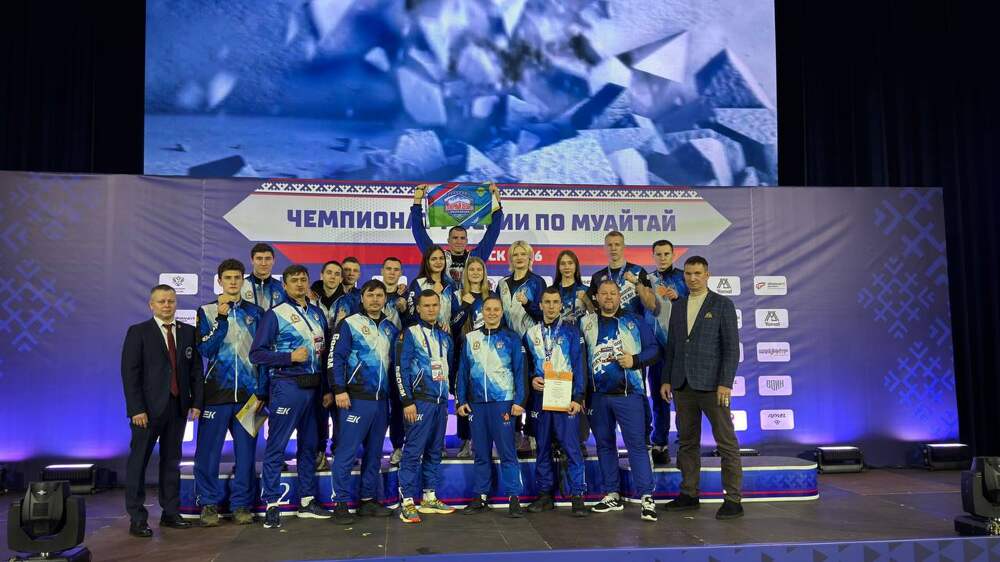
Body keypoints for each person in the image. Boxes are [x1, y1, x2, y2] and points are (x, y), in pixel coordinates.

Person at [660, 255, 743, 520]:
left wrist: (725, 383)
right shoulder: (679, 306)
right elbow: (672, 347)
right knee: (686, 443)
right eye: (688, 274)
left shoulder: (723, 304)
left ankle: (733, 499)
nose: (692, 278)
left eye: (697, 273)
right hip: (682, 385)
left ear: (707, 275)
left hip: (713, 387)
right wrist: (666, 379)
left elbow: (731, 348)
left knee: (726, 443)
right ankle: (689, 494)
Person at [250, 265, 332, 529]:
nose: (299, 284)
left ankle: (307, 501)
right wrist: (289, 357)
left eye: (303, 279)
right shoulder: (275, 314)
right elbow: (256, 354)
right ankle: (272, 504)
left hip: (314, 388)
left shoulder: (317, 314)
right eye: (293, 280)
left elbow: (324, 355)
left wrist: (327, 389)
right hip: (287, 386)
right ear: (284, 286)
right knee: (277, 445)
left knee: (309, 446)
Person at [120, 284, 203, 537]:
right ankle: (137, 518)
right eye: (161, 301)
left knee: (172, 462)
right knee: (139, 463)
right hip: (146, 412)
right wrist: (136, 409)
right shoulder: (138, 332)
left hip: (177, 408)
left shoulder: (188, 332)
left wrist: (196, 403)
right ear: (151, 305)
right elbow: (130, 374)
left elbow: (196, 371)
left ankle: (170, 512)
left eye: (171, 301)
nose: (167, 305)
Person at [193, 259, 265, 527]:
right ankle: (208, 504)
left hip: (250, 396)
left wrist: (263, 391)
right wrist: (221, 319)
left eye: (237, 277)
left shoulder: (256, 312)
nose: (233, 282)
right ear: (219, 281)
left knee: (246, 454)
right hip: (216, 394)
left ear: (243, 280)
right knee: (208, 453)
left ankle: (241, 505)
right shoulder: (207, 311)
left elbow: (263, 354)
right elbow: (206, 350)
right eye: (228, 278)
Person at [581, 280, 659, 522]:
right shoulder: (586, 322)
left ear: (619, 296)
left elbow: (654, 349)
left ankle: (647, 497)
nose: (608, 297)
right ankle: (612, 494)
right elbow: (579, 358)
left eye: (613, 293)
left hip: (629, 395)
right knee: (604, 445)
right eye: (603, 293)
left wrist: (635, 360)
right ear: (596, 297)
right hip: (597, 397)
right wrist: (580, 394)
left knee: (637, 445)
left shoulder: (635, 320)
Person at [328, 280, 401, 523]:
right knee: (346, 452)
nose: (375, 299)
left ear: (385, 299)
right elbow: (335, 358)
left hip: (381, 401)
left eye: (380, 295)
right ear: (362, 298)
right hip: (355, 398)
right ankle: (340, 503)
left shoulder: (390, 328)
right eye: (370, 295)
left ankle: (368, 500)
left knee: (375, 452)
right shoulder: (349, 324)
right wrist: (339, 389)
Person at [456, 296, 528, 518]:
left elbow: (520, 372)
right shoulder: (471, 338)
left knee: (507, 452)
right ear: (482, 312)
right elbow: (463, 372)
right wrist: (461, 400)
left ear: (501, 312)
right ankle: (480, 495)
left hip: (503, 402)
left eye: (496, 309)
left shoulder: (512, 338)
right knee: (480, 452)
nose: (492, 313)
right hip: (477, 404)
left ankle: (514, 497)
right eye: (488, 309)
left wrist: (519, 401)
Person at [522, 287, 588, 517]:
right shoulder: (530, 333)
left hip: (565, 398)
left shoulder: (572, 332)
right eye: (547, 302)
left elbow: (580, 366)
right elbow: (525, 367)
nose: (551, 306)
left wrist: (578, 397)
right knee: (542, 448)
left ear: (561, 305)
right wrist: (531, 379)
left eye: (555, 302)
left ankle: (577, 496)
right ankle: (545, 495)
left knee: (571, 448)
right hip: (541, 399)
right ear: (540, 305)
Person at [396, 290, 458, 523]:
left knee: (434, 450)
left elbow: (448, 368)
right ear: (419, 308)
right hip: (419, 401)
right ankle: (407, 501)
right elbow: (400, 369)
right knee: (413, 451)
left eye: (435, 305)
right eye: (427, 305)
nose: (431, 309)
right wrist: (407, 401)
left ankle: (429, 497)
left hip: (440, 401)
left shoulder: (445, 338)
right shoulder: (409, 333)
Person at [499, 240, 546, 455]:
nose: (519, 258)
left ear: (530, 258)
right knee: (512, 387)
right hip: (508, 344)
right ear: (510, 259)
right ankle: (515, 431)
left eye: (523, 254)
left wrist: (528, 304)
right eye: (515, 254)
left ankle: (533, 433)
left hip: (531, 343)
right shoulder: (502, 284)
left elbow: (544, 315)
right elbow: (497, 315)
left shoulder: (537, 282)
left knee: (532, 385)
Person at [645, 240, 688, 465]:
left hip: (681, 348)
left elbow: (696, 307)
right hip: (656, 350)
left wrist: (678, 298)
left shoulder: (684, 278)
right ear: (653, 256)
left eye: (666, 254)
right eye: (658, 254)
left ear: (673, 255)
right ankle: (659, 444)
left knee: (682, 399)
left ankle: (685, 446)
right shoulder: (647, 280)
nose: (662, 258)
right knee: (658, 398)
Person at [410, 181, 504, 285]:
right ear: (448, 240)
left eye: (462, 238)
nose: (459, 241)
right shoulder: (439, 258)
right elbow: (419, 232)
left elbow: (493, 232)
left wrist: (496, 199)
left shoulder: (476, 257)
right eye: (455, 238)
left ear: (467, 241)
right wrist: (417, 201)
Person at [448, 256, 495, 458]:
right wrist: (465, 306)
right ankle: (466, 440)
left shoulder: (491, 296)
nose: (475, 273)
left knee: (486, 394)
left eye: (479, 269)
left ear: (484, 273)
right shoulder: (458, 295)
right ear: (466, 273)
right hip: (464, 351)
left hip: (489, 354)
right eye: (472, 269)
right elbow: (453, 324)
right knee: (464, 394)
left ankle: (485, 440)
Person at [380, 256, 410, 465]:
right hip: (374, 362)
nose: (392, 272)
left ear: (400, 273)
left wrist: (405, 311)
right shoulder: (372, 293)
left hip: (398, 360)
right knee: (376, 407)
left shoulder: (405, 297)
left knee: (400, 407)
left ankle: (398, 447)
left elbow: (412, 326)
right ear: (382, 271)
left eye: (396, 269)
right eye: (388, 268)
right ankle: (371, 449)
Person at [586, 231, 652, 317]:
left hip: (635, 324)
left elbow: (651, 303)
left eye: (617, 244)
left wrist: (637, 283)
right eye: (610, 245)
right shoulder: (597, 277)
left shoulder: (638, 271)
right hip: (608, 324)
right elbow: (593, 308)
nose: (613, 248)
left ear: (624, 247)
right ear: (605, 248)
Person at [404, 247, 455, 330]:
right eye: (434, 259)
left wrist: (449, 326)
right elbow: (411, 313)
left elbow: (455, 316)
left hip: (444, 335)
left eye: (441, 258)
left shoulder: (449, 285)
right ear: (427, 262)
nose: (438, 262)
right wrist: (433, 293)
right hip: (422, 334)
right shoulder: (418, 284)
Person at [551, 250, 593, 324]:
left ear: (576, 266)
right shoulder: (551, 291)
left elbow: (594, 316)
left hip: (580, 330)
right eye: (563, 264)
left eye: (570, 263)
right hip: (557, 331)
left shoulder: (585, 290)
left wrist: (587, 301)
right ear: (558, 267)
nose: (567, 267)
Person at [241, 243, 286, 310]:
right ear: (252, 261)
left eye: (268, 259)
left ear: (273, 261)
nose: (263, 263)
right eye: (259, 259)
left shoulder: (281, 288)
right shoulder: (241, 286)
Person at [331, 257, 362, 326]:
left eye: (355, 270)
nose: (351, 273)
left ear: (359, 275)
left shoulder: (361, 296)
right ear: (341, 272)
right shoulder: (329, 293)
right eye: (347, 270)